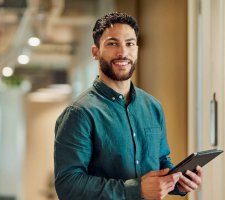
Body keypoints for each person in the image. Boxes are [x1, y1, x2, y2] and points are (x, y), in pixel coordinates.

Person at [54, 12, 203, 200]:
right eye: (112, 43)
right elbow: (68, 185)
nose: (123, 52)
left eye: (129, 43)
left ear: (137, 49)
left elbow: (161, 161)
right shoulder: (79, 113)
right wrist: (136, 189)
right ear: (95, 52)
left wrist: (178, 182)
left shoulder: (153, 107)